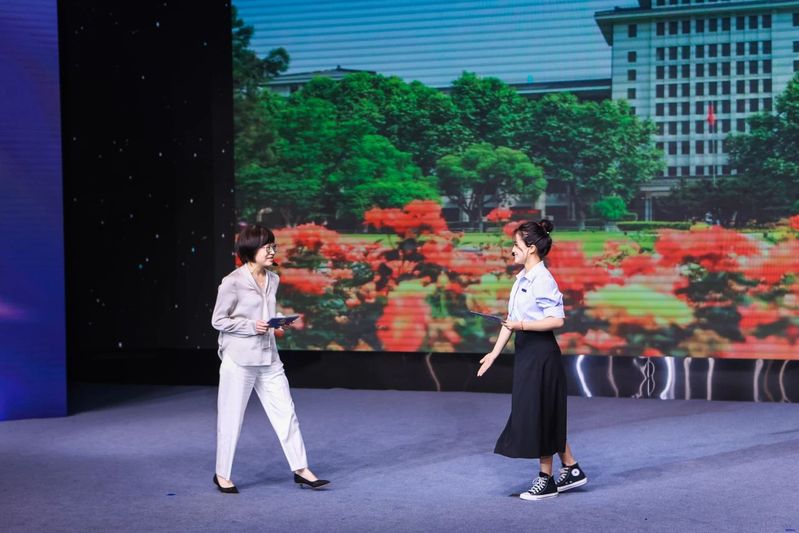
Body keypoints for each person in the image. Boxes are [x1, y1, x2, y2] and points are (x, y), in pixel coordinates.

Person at [211, 224, 328, 493]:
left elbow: (264, 314)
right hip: (239, 359)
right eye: (267, 247)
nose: (272, 251)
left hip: (269, 357)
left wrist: (277, 323)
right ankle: (222, 474)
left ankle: (301, 469)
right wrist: (251, 326)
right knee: (231, 419)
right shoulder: (232, 282)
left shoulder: (273, 279)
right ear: (250, 250)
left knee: (287, 413)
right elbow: (218, 320)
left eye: (273, 246)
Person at [477, 219, 587, 500]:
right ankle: (572, 468)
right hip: (527, 354)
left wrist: (522, 326)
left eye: (516, 245)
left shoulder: (543, 279)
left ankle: (546, 480)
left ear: (532, 248)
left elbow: (557, 320)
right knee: (543, 413)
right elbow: (510, 321)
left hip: (541, 355)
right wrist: (493, 354)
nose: (512, 249)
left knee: (539, 414)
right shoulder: (522, 279)